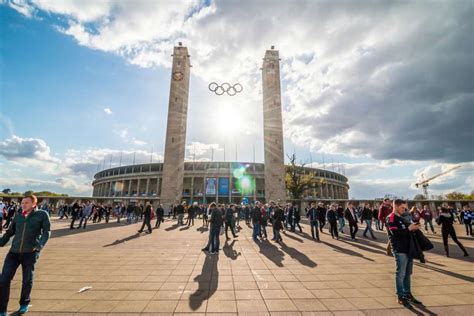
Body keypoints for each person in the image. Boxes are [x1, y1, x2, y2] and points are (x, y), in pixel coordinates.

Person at [0, 195, 51, 315]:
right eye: (22, 203)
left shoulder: (42, 215)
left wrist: (39, 246)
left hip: (30, 253)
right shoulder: (18, 216)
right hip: (13, 253)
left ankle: (24, 304)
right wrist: (1, 242)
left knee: (27, 280)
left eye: (26, 203)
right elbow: (10, 232)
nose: (23, 205)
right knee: (4, 280)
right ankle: (2, 309)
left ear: (34, 204)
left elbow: (47, 231)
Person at [386, 199, 423, 308]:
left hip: (408, 248)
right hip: (400, 249)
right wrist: (409, 228)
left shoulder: (402, 218)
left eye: (405, 208)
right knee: (401, 273)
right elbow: (395, 233)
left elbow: (406, 231)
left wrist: (414, 228)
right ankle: (400, 296)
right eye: (402, 207)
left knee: (408, 273)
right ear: (396, 206)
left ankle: (407, 294)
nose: (404, 209)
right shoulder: (391, 218)